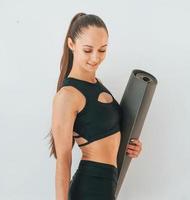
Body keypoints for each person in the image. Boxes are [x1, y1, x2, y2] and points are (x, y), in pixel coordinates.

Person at [47, 12, 143, 200]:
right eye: (88, 50)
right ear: (71, 45)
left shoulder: (97, 84)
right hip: (89, 187)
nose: (95, 58)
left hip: (108, 185)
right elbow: (63, 162)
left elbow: (106, 136)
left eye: (102, 50)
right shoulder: (67, 96)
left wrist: (130, 147)